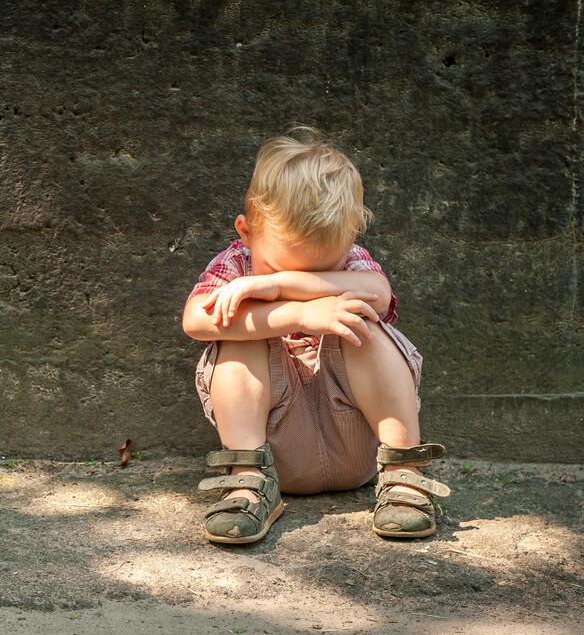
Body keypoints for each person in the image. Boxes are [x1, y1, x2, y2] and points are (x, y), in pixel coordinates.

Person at [181, 128, 450, 544]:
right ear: (246, 232)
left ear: (349, 241)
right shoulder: (238, 263)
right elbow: (197, 319)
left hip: (358, 443)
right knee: (235, 332)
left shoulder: (354, 263)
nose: (296, 281)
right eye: (277, 269)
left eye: (322, 271)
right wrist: (300, 311)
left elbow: (379, 294)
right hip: (274, 448)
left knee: (360, 320)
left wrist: (277, 284)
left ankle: (403, 475)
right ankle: (248, 484)